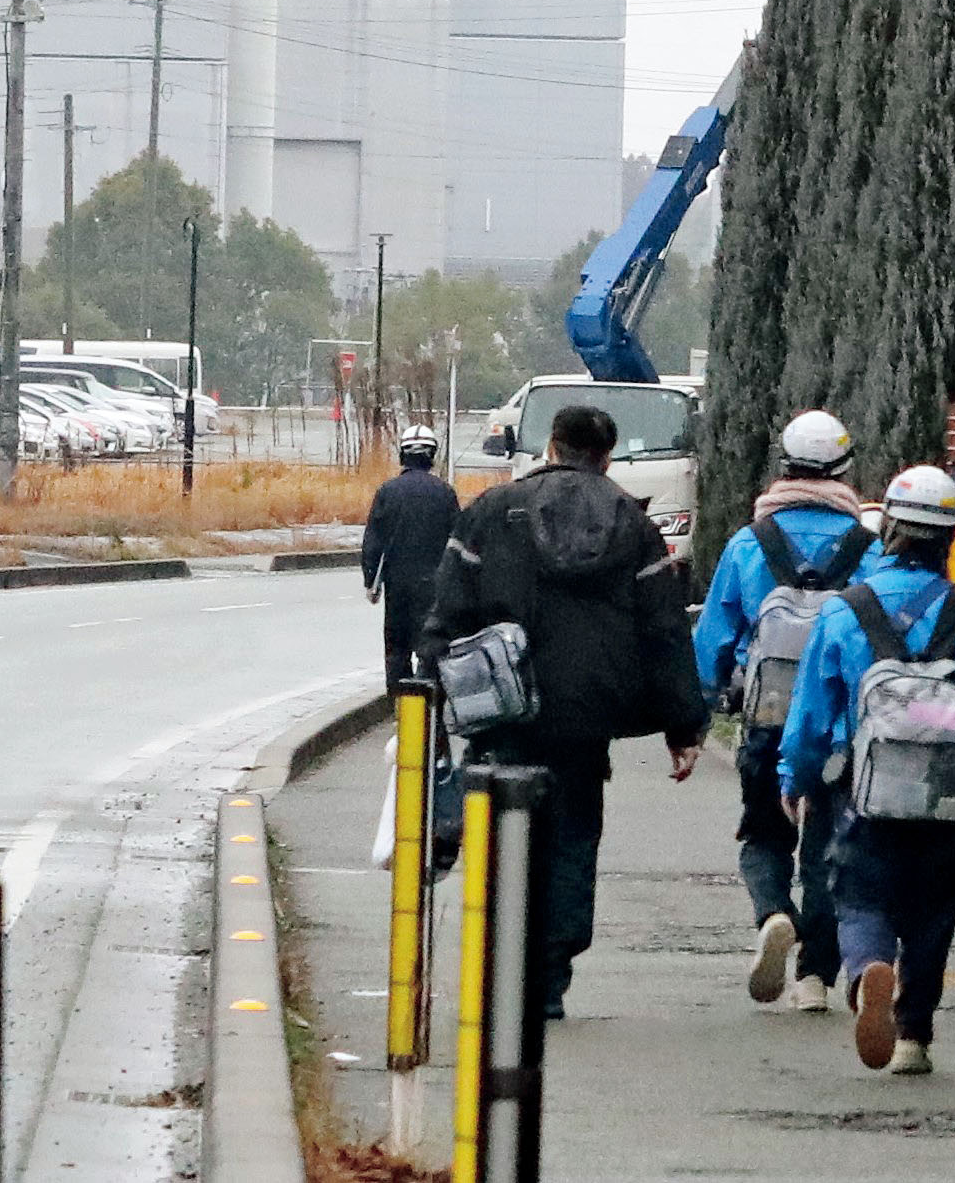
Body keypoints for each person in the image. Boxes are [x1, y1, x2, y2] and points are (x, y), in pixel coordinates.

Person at [420, 404, 707, 1019]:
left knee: (501, 831)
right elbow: (663, 628)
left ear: (550, 446)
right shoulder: (633, 525)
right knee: (573, 836)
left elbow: (448, 610)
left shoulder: (494, 513)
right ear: (607, 455)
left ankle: (503, 962)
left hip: (503, 708)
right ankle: (551, 976)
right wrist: (683, 724)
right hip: (589, 713)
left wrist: (434, 692)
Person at [779, 466, 955, 1076]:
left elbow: (811, 715)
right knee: (934, 912)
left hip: (866, 794)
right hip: (953, 801)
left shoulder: (844, 612)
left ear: (890, 532)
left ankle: (866, 976)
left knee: (858, 898)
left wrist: (794, 778)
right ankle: (913, 1036)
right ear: (951, 539)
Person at [694, 410, 879, 1012]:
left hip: (768, 716)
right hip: (842, 727)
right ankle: (815, 979)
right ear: (845, 470)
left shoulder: (751, 544)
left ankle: (774, 913)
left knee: (763, 834)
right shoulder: (867, 549)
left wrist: (696, 716)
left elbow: (714, 641)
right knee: (829, 847)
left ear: (784, 467)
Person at [360, 425, 459, 691]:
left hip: (398, 587)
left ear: (402, 455)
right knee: (433, 653)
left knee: (397, 652)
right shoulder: (445, 493)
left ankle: (400, 711)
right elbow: (457, 541)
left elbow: (373, 542)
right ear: (432, 455)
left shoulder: (387, 491)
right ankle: (431, 714)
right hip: (436, 589)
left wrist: (371, 581)